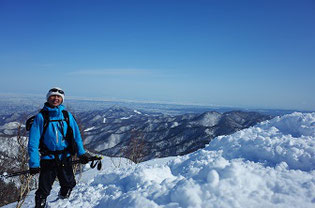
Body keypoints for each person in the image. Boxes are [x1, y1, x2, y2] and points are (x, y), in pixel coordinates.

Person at [28, 87, 90, 208]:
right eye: (53, 96)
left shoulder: (66, 115)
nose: (56, 98)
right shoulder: (41, 117)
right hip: (48, 157)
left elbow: (76, 135)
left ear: (62, 99)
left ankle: (61, 202)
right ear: (48, 98)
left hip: (65, 156)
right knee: (44, 189)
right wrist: (34, 163)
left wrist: (81, 153)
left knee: (69, 183)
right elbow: (33, 142)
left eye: (58, 97)